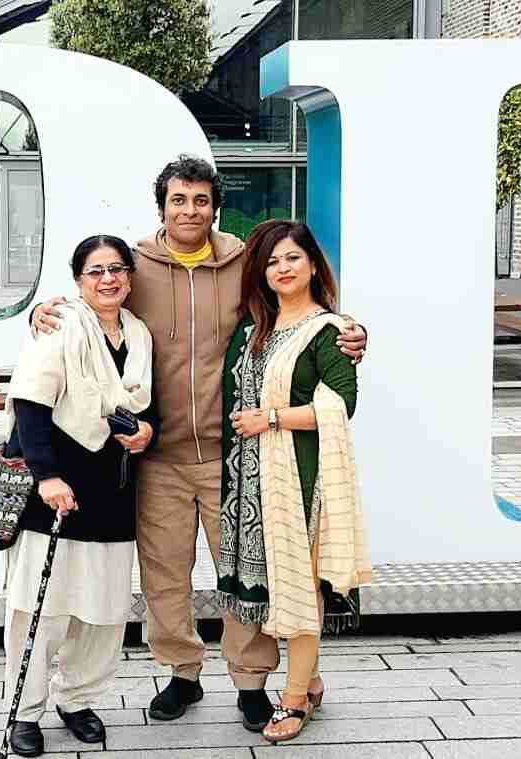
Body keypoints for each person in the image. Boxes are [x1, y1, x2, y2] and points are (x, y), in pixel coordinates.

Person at [33, 155, 367, 731]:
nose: (191, 211)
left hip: (237, 455)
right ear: (161, 205)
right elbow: (94, 309)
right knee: (165, 575)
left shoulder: (243, 262)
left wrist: (351, 333)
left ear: (216, 206)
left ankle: (251, 680)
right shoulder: (134, 266)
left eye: (201, 201)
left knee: (245, 572)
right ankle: (181, 672)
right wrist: (44, 312)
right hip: (157, 458)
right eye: (178, 200)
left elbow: (294, 310)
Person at [0, 235, 159, 758]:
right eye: (95, 271)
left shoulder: (139, 334)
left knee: (102, 610)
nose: (108, 279)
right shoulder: (60, 324)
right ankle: (25, 709)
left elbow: (141, 407)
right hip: (58, 493)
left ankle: (77, 699)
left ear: (130, 277)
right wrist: (46, 476)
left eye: (117, 269)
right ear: (77, 279)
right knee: (39, 610)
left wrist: (145, 432)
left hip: (112, 489)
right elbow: (30, 402)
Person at [219, 219, 370, 743]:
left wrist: (273, 419)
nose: (282, 269)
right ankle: (312, 678)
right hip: (249, 482)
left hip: (300, 479)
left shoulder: (330, 331)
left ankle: (295, 699)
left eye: (292, 258)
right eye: (271, 261)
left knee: (300, 589)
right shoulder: (255, 326)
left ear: (312, 263)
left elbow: (339, 405)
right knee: (270, 591)